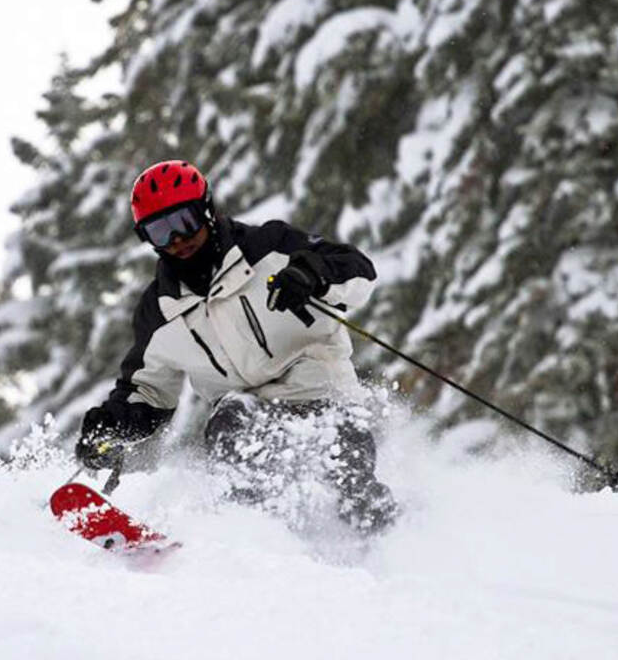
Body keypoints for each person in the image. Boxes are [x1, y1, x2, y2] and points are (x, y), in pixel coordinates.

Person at [74, 159, 398, 534]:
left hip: (322, 393)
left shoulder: (269, 247)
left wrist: (311, 274)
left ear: (207, 210)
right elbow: (147, 391)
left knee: (346, 470)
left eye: (184, 221)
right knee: (232, 423)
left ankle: (386, 542)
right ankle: (253, 539)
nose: (177, 240)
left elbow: (357, 269)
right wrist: (114, 426)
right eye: (159, 231)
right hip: (246, 411)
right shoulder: (160, 309)